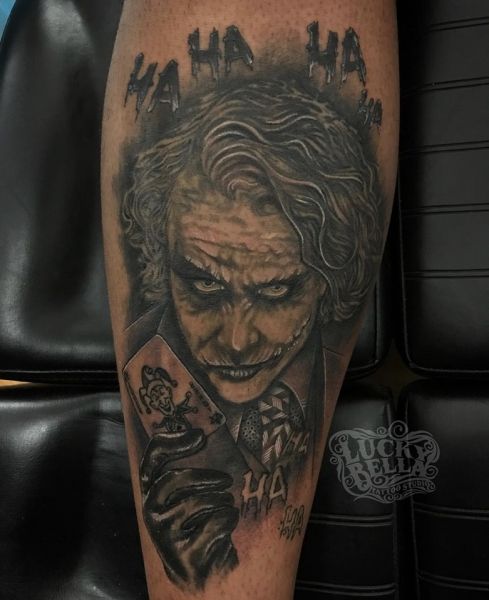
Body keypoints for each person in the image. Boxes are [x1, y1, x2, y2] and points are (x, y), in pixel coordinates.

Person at [101, 2, 399, 598]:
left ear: (329, 276)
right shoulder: (151, 361)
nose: (236, 341)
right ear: (162, 254)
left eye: (278, 290)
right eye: (204, 284)